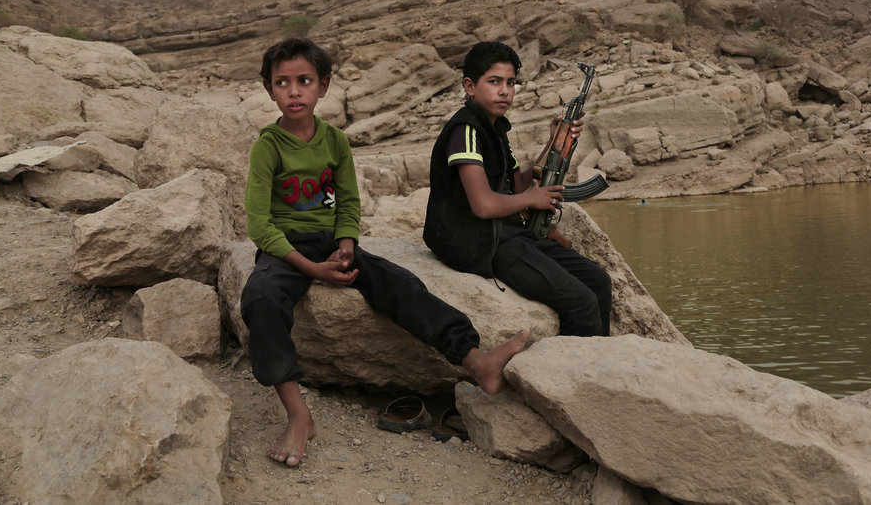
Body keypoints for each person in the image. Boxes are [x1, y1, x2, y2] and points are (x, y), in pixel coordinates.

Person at [240, 37, 529, 467]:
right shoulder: (269, 146)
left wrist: (344, 247)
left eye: (305, 81)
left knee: (400, 283)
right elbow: (259, 225)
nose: (294, 91)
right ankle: (298, 414)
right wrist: (312, 270)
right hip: (286, 250)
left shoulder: (335, 140)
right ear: (269, 90)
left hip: (332, 244)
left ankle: (475, 359)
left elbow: (348, 203)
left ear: (324, 86)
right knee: (260, 298)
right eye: (283, 83)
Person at [424, 41, 612, 337]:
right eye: (495, 82)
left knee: (598, 280)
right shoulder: (466, 131)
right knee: (581, 303)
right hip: (478, 242)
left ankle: (601, 363)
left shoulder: (495, 129)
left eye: (511, 83)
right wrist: (530, 199)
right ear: (470, 86)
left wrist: (555, 141)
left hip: (505, 232)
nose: (505, 91)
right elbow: (483, 205)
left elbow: (518, 184)